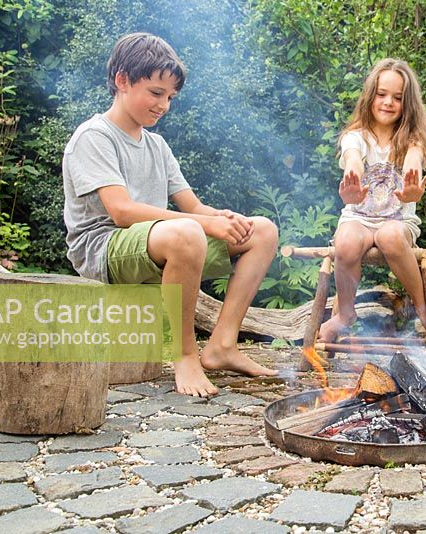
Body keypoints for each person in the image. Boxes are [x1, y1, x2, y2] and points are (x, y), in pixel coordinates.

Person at [62, 33, 278, 397]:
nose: (164, 106)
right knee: (186, 233)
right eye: (156, 93)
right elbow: (121, 211)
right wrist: (202, 223)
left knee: (262, 231)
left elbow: (192, 208)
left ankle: (222, 346)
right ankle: (185, 355)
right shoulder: (94, 136)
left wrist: (222, 218)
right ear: (122, 81)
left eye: (170, 98)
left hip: (158, 240)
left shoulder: (156, 145)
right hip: (103, 248)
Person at [318, 58, 426, 350]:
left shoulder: (412, 141)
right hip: (358, 216)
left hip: (397, 222)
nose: (388, 102)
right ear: (370, 96)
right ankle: (344, 312)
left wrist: (412, 187)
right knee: (345, 242)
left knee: (389, 236)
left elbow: (414, 162)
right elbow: (352, 155)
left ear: (408, 104)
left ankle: (424, 311)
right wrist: (352, 177)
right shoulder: (355, 137)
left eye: (397, 97)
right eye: (381, 94)